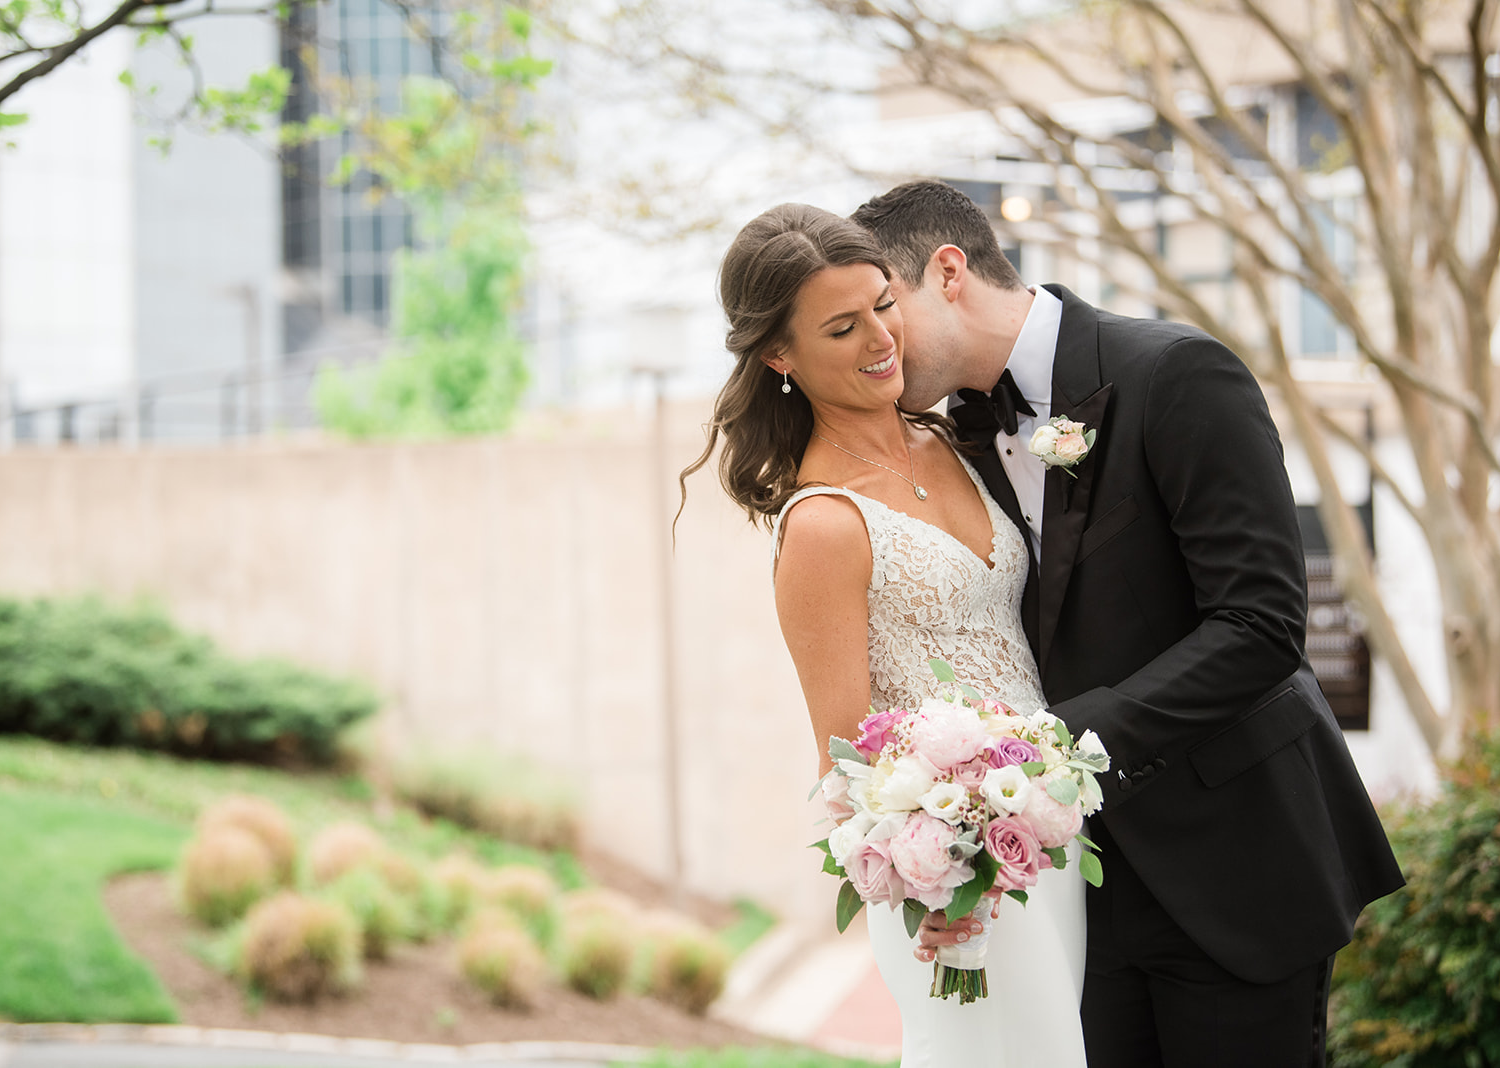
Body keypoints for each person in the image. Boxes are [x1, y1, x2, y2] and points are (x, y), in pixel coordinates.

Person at [850, 179, 1404, 1067]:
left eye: (885, 306)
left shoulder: (1178, 373)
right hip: (1080, 890)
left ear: (948, 271)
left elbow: (1262, 625)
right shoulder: (950, 440)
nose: (874, 343)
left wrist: (1051, 749)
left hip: (1237, 864)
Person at [680, 203, 1089, 1066]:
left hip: (1048, 837)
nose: (880, 338)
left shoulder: (958, 444)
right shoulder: (825, 524)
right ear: (779, 356)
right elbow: (843, 763)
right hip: (953, 882)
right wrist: (935, 879)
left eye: (881, 304)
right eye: (842, 326)